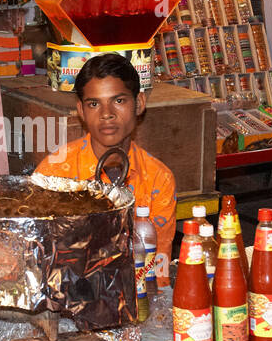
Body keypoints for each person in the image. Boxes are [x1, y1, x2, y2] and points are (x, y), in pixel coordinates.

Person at [35, 54, 176, 280]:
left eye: (118, 101)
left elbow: (156, 271)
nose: (107, 114)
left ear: (139, 103)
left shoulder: (158, 179)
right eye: (94, 104)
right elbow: (36, 261)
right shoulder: (55, 172)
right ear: (81, 111)